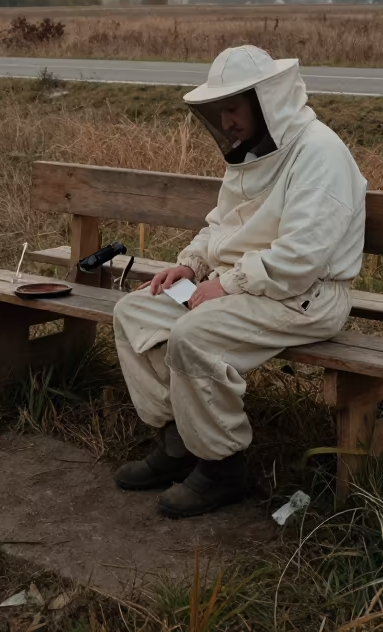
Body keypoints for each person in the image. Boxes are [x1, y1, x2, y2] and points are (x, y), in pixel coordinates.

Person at [112, 44, 367, 519]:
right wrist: (192, 267)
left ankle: (222, 465)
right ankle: (180, 443)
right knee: (135, 310)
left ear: (263, 101)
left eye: (232, 108)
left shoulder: (320, 154)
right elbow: (222, 226)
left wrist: (227, 286)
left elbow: (302, 258)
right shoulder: (253, 153)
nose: (225, 121)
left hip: (306, 297)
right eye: (219, 110)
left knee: (193, 335)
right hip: (253, 286)